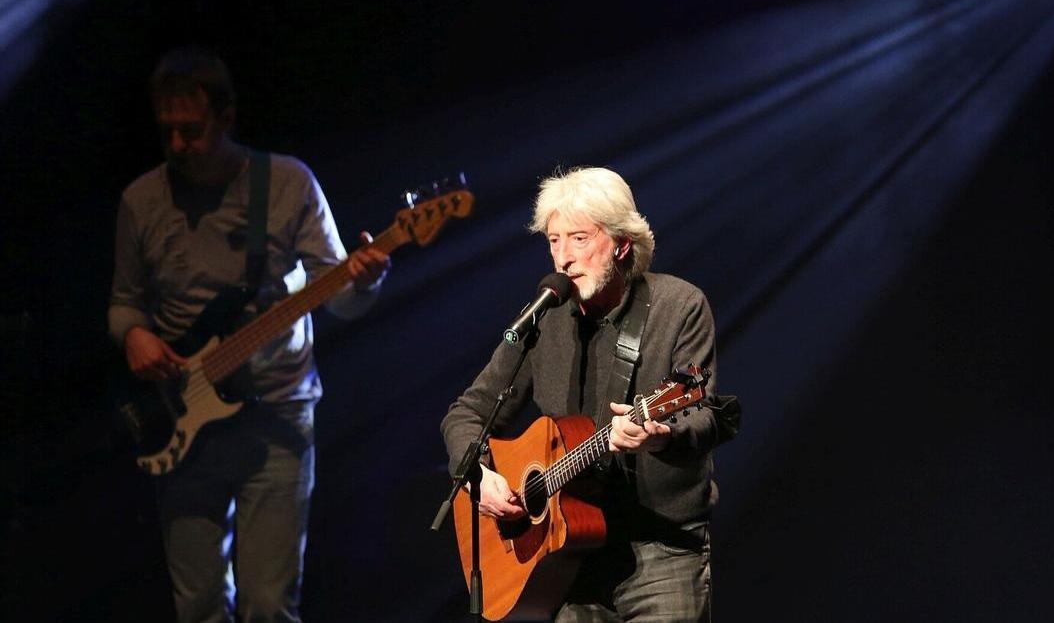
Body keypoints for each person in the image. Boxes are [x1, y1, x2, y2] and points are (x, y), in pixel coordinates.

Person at [108, 46, 391, 622]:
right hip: (182, 417)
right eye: (168, 133)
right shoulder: (140, 200)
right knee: (200, 604)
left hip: (279, 416)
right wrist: (133, 335)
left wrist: (361, 282)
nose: (179, 145)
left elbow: (339, 301)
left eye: (192, 130)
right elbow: (123, 302)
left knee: (268, 604)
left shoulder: (288, 184)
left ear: (226, 118)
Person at [441, 166, 721, 622]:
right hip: (569, 556)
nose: (563, 258)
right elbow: (466, 412)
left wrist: (659, 436)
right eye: (554, 240)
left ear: (622, 243)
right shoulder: (545, 320)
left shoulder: (679, 306)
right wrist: (478, 476)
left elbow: (707, 416)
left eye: (579, 238)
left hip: (661, 550)